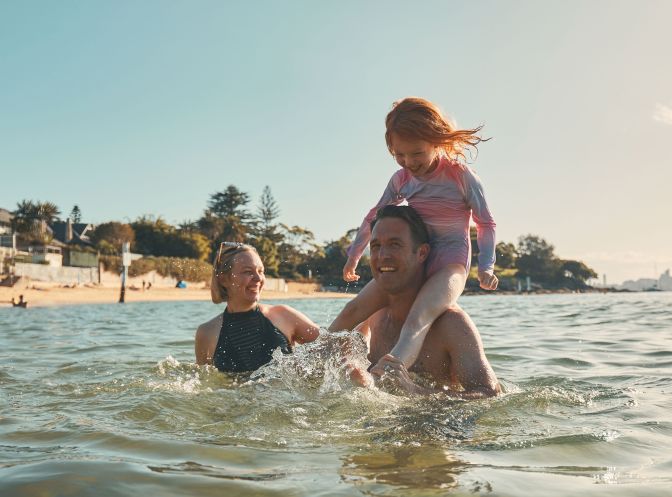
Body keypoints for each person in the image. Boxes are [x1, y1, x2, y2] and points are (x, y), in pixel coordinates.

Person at [330, 97, 499, 376]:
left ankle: (389, 372)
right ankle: (305, 361)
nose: (409, 162)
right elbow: (374, 216)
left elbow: (486, 223)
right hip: (415, 259)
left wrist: (486, 267)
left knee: (417, 318)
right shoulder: (401, 180)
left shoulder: (462, 177)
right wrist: (354, 255)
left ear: (437, 141)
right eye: (400, 155)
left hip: (450, 264)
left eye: (417, 153)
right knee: (352, 310)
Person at [344, 205, 500, 398]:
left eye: (395, 244)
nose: (383, 256)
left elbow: (491, 394)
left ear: (422, 253)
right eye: (376, 246)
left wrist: (416, 391)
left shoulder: (453, 325)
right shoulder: (373, 314)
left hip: (435, 426)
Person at [195, 242, 320, 373]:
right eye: (248, 272)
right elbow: (204, 385)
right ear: (223, 279)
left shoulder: (284, 315)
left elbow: (333, 346)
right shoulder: (206, 333)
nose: (258, 278)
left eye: (261, 271)